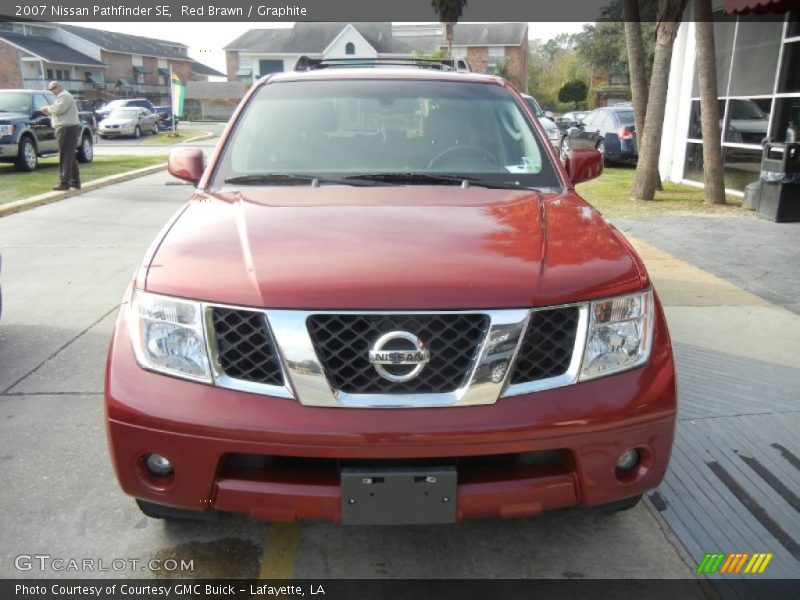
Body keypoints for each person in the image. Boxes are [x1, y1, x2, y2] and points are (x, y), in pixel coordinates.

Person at [40, 81, 81, 191]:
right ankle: (75, 181)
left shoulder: (65, 96)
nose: (53, 91)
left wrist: (47, 109)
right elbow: (57, 109)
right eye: (51, 89)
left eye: (54, 88)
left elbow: (59, 109)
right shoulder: (62, 97)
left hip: (66, 128)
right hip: (66, 128)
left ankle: (64, 182)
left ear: (59, 86)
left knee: (65, 155)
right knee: (69, 155)